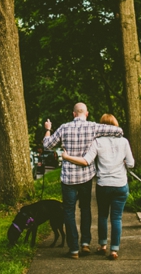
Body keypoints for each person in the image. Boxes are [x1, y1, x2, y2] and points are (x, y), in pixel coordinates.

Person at [43, 103, 123, 259]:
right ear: (86, 114)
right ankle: (85, 244)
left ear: (73, 114)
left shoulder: (63, 128)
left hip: (68, 179)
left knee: (69, 212)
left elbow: (47, 145)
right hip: (86, 178)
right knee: (85, 209)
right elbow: (118, 131)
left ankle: (73, 249)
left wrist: (47, 129)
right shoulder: (93, 127)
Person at [61, 114, 134, 261]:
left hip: (103, 185)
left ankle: (102, 245)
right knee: (117, 218)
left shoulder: (97, 142)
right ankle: (114, 250)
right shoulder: (124, 142)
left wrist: (67, 157)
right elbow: (131, 164)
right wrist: (125, 163)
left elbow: (87, 160)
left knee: (102, 215)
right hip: (120, 185)